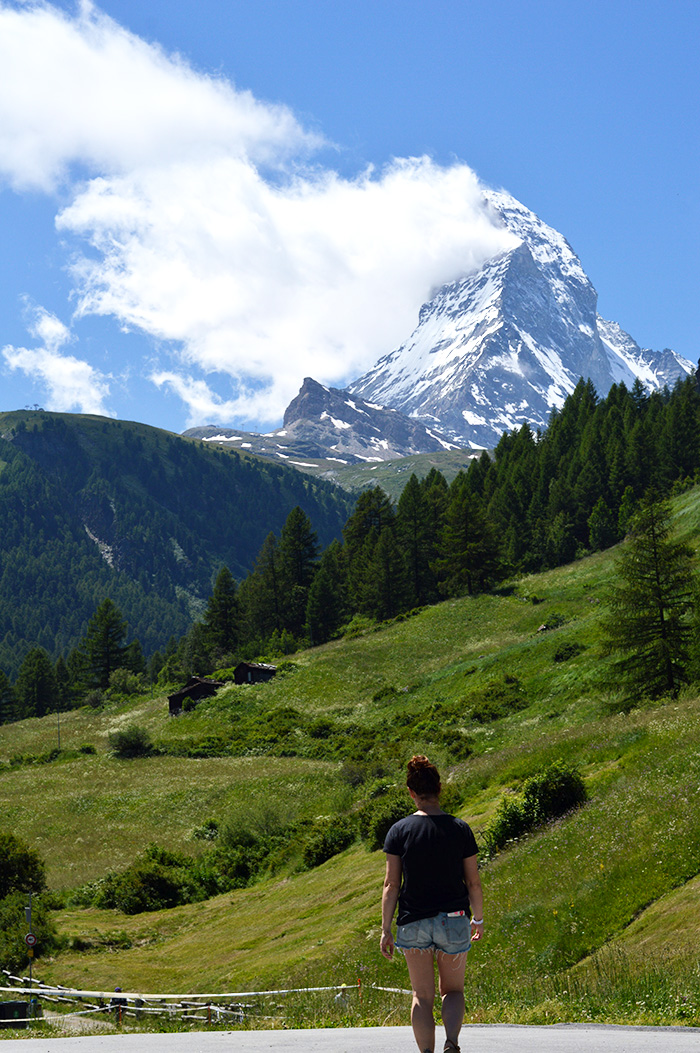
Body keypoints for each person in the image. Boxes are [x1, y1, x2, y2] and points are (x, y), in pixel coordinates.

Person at [380, 755, 483, 1053]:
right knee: (452, 990)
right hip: (454, 919)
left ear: (411, 793)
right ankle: (451, 1043)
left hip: (413, 921)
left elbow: (391, 885)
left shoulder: (399, 831)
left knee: (421, 996)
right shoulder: (460, 828)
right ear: (439, 788)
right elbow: (473, 882)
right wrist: (478, 918)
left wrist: (385, 929)